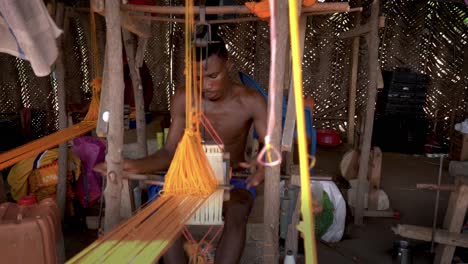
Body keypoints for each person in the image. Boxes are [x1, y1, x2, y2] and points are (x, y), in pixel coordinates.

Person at [96, 39, 268, 264]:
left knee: (238, 211)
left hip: (232, 180)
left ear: (229, 65)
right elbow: (169, 152)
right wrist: (131, 165)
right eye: (197, 78)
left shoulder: (251, 101)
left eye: (212, 76)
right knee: (162, 213)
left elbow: (271, 149)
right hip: (187, 180)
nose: (205, 85)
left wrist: (263, 165)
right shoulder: (184, 98)